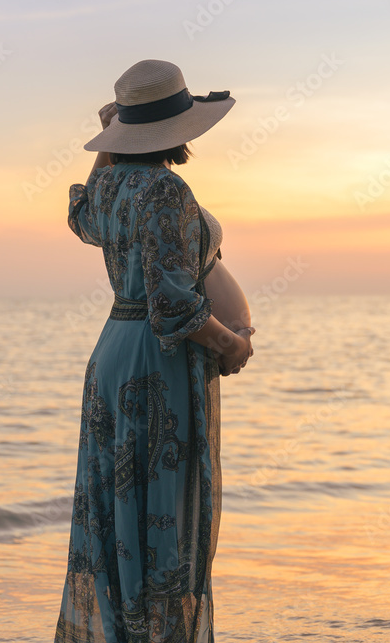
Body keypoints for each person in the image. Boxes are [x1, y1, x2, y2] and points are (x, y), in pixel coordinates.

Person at [54, 59, 253, 643]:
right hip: (155, 358)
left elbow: (82, 214)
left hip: (116, 352)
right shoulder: (166, 189)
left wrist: (111, 143)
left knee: (120, 510)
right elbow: (173, 305)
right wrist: (231, 346)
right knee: (166, 512)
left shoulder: (111, 186)